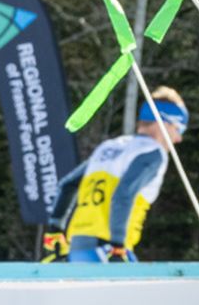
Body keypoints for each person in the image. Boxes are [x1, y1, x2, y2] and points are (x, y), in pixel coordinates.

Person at [45, 88, 188, 262]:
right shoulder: (153, 152)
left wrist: (55, 229)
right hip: (108, 248)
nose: (178, 139)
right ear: (163, 123)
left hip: (78, 245)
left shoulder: (109, 147)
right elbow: (123, 194)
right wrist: (118, 245)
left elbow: (68, 185)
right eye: (178, 129)